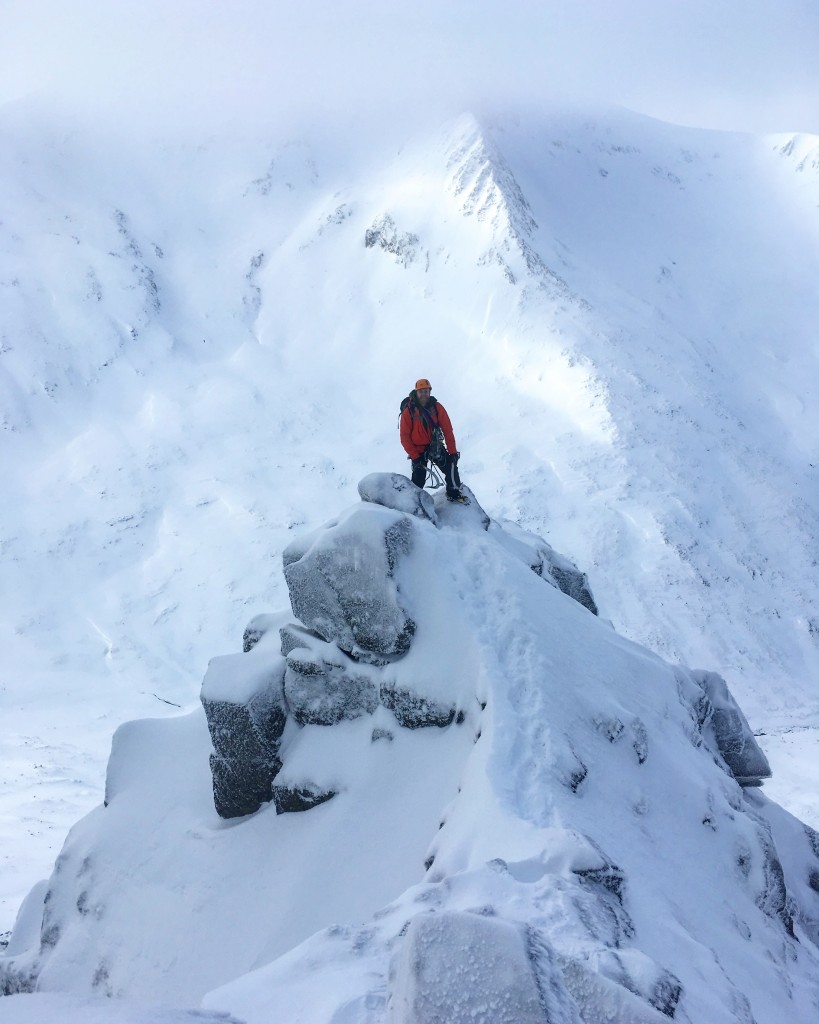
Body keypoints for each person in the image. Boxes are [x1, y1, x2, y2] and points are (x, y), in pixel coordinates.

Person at [399, 378, 465, 501]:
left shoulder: (437, 407)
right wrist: (415, 456)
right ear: (416, 392)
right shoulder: (409, 411)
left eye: (426, 391)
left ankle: (454, 494)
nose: (424, 394)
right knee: (418, 479)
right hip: (418, 450)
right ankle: (413, 503)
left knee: (451, 467)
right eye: (421, 391)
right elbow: (404, 437)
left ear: (429, 392)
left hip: (434, 446)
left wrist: (453, 452)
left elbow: (447, 430)